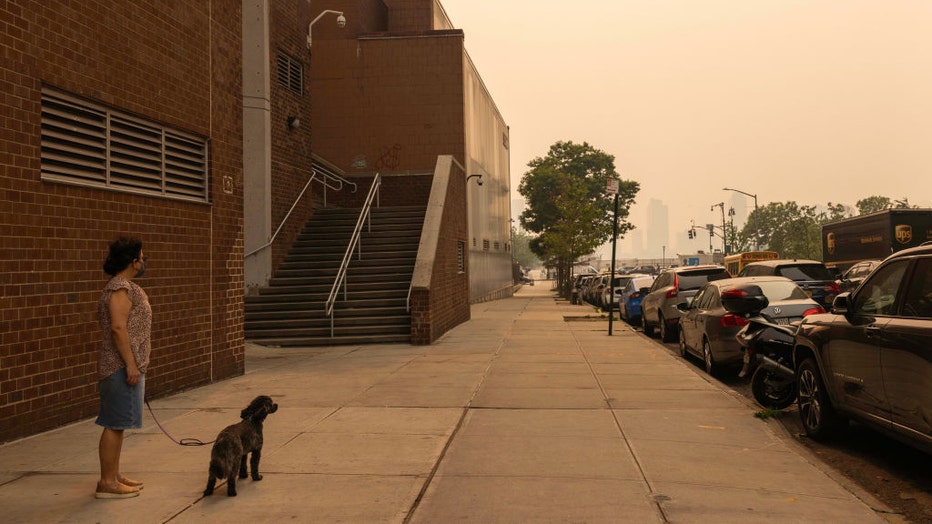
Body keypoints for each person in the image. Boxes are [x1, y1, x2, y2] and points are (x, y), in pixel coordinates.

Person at [95, 237, 151, 499]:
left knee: (119, 424)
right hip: (119, 366)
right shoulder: (120, 289)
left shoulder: (125, 286)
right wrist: (130, 365)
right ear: (133, 261)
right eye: (142, 256)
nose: (144, 261)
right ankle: (107, 482)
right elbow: (118, 328)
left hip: (125, 365)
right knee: (114, 424)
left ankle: (113, 475)